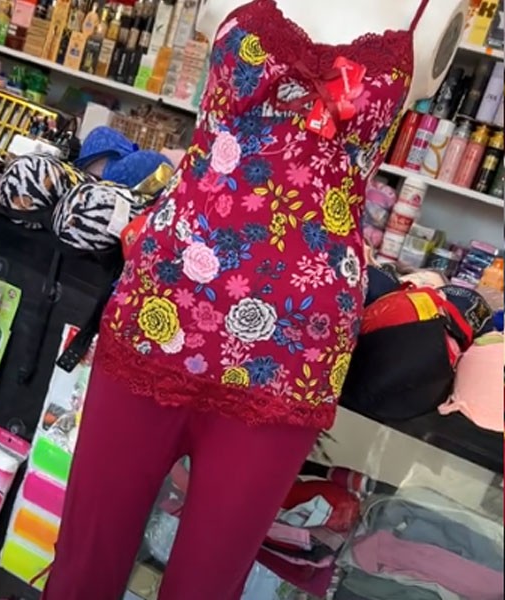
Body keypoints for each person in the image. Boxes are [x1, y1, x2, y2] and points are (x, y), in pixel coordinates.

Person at [43, 1, 466, 599]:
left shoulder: (430, 12)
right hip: (163, 306)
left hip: (295, 348)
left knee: (209, 584)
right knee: (84, 563)